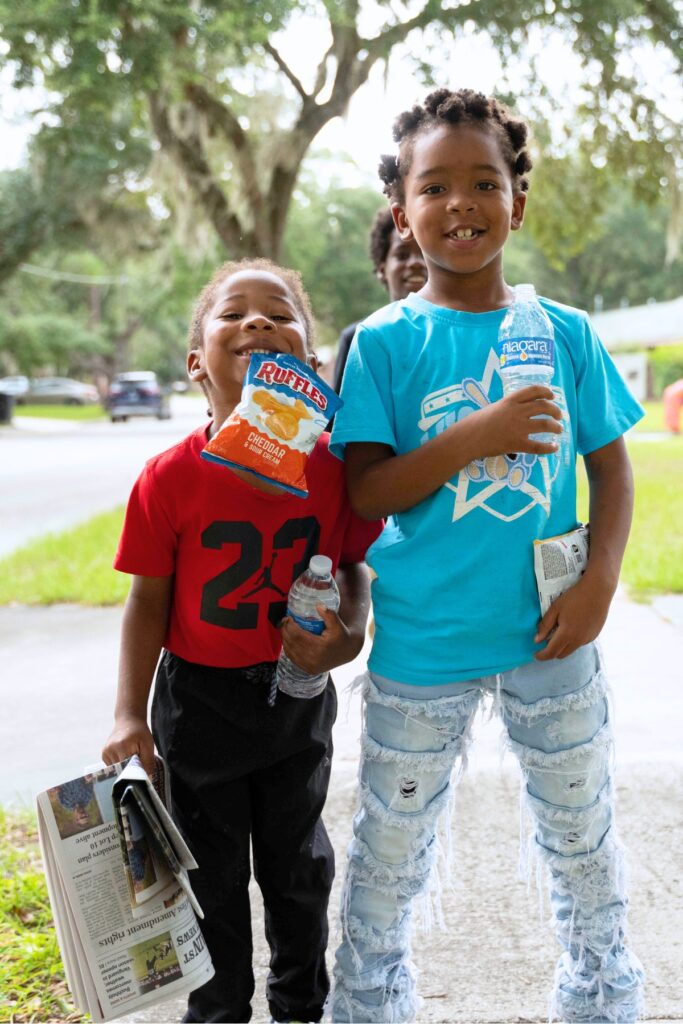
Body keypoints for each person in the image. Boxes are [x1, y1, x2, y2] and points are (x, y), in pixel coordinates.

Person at [329, 89, 645, 1023]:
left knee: (581, 837)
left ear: (518, 201)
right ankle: (370, 998)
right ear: (403, 212)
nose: (460, 203)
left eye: (483, 182)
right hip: (422, 643)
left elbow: (611, 471)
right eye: (435, 186)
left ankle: (599, 994)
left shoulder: (565, 333)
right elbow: (367, 491)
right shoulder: (385, 344)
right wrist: (480, 433)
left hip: (549, 636)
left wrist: (598, 585)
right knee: (390, 846)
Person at [101, 257, 382, 1024]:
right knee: (209, 876)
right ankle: (219, 1010)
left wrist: (347, 637)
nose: (257, 321)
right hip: (198, 703)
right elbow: (145, 601)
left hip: (295, 697)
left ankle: (300, 1007)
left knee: (299, 870)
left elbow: (354, 565)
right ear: (197, 364)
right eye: (233, 314)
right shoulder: (169, 478)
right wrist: (129, 714)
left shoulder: (330, 469)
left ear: (310, 365)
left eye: (278, 312)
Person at [331, 207, 426, 393]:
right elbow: (339, 419)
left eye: (425, 254)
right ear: (382, 269)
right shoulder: (357, 338)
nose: (416, 262)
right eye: (402, 255)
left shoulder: (459, 333)